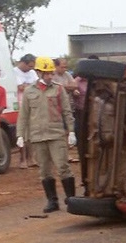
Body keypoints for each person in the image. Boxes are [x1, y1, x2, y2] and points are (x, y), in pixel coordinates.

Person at [16, 56, 77, 213]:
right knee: (44, 170)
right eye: (46, 73)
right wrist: (20, 135)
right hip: (37, 135)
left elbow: (66, 111)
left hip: (56, 134)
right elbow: (23, 115)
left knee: (63, 166)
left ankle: (71, 199)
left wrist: (71, 130)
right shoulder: (30, 92)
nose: (50, 76)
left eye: (51, 73)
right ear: (38, 72)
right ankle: (52, 201)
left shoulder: (58, 89)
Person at [14, 54, 39, 169]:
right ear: (23, 63)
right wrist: (30, 86)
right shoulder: (14, 72)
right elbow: (20, 87)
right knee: (22, 134)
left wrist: (27, 86)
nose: (31, 68)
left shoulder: (32, 73)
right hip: (20, 105)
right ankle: (23, 159)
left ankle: (31, 158)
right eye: (29, 66)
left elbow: (37, 86)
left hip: (32, 105)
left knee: (32, 133)